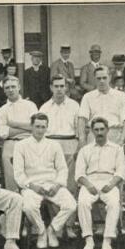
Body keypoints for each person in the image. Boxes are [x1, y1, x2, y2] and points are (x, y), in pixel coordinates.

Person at [13, 113, 77, 249]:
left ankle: (52, 230)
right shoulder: (21, 145)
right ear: (31, 127)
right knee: (29, 207)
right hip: (32, 186)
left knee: (71, 204)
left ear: (47, 128)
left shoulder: (54, 145)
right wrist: (31, 186)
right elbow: (18, 174)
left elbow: (62, 169)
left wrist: (58, 185)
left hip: (51, 184)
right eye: (37, 126)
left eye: (43, 127)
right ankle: (41, 231)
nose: (40, 130)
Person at [76, 117, 125, 249]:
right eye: (96, 130)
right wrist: (88, 185)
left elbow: (121, 172)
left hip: (109, 181)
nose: (99, 132)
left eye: (102, 129)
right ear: (92, 131)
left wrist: (110, 185)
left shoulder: (117, 149)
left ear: (108, 130)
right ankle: (88, 240)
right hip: (89, 182)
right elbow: (79, 174)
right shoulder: (85, 150)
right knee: (83, 202)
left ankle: (107, 240)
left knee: (114, 203)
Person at [39, 74, 80, 238]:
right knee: (53, 187)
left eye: (62, 86)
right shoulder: (44, 108)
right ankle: (57, 227)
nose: (59, 89)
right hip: (51, 147)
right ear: (51, 88)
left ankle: (69, 226)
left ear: (67, 88)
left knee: (70, 187)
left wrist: (78, 148)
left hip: (70, 144)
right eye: (56, 86)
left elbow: (79, 130)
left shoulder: (75, 106)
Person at [0, 76, 38, 191]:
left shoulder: (30, 105)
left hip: (29, 142)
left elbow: (36, 127)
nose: (10, 90)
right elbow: (3, 133)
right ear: (4, 90)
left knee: (31, 179)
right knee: (12, 181)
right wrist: (26, 128)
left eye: (13, 87)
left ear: (19, 87)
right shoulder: (2, 110)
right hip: (10, 144)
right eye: (7, 88)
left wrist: (13, 124)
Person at [78, 65, 125, 148]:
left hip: (114, 136)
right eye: (98, 78)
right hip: (93, 136)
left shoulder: (121, 96)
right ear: (94, 79)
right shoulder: (87, 97)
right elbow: (82, 119)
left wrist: (122, 140)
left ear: (110, 77)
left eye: (104, 78)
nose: (102, 81)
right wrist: (82, 139)